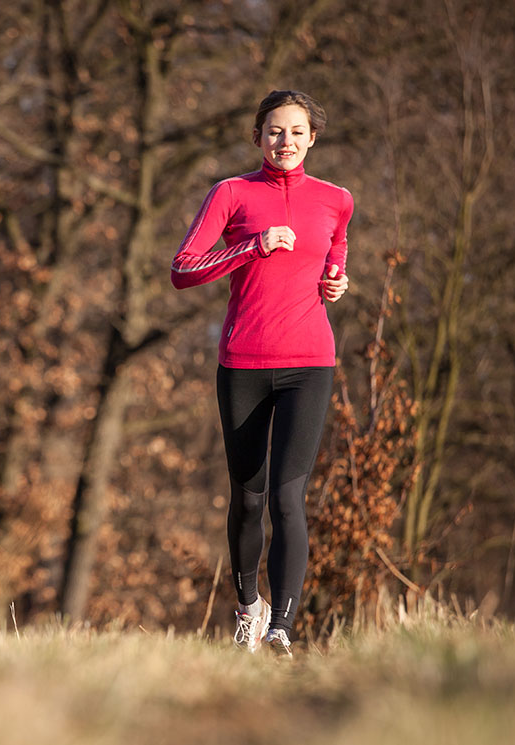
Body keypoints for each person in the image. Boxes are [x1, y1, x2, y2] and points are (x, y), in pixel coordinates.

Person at [171, 90, 353, 657]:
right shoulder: (231, 193)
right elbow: (183, 270)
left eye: (297, 132)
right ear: (258, 138)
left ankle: (283, 629)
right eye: (275, 131)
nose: (286, 142)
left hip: (309, 364)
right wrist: (252, 247)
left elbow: (337, 252)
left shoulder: (337, 200)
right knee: (248, 499)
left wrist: (336, 281)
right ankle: (250, 609)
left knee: (287, 498)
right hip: (243, 362)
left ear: (312, 138)